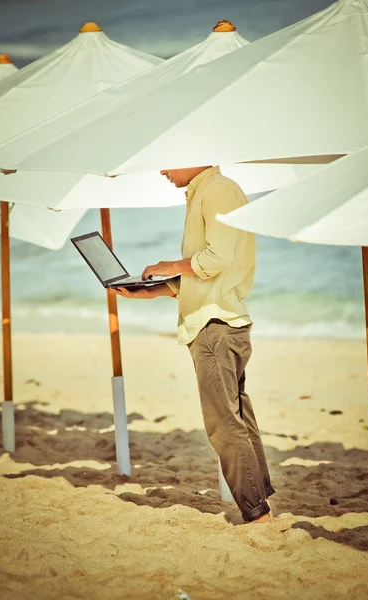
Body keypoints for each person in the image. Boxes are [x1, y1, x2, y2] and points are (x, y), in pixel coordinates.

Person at [114, 165, 275, 524]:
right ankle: (260, 505)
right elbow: (203, 275)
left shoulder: (216, 190)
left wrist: (166, 265)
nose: (161, 170)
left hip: (216, 326)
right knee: (237, 419)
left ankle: (258, 515)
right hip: (219, 321)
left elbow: (215, 261)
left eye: (169, 161)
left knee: (224, 424)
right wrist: (152, 291)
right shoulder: (207, 191)